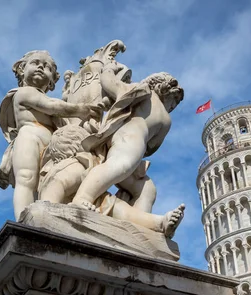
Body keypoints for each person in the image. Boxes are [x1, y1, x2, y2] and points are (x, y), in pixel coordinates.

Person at [0, 50, 102, 220]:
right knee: (26, 178)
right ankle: (24, 222)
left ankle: (45, 217)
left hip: (51, 148)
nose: (40, 66)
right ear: (22, 70)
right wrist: (81, 109)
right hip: (29, 137)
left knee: (46, 185)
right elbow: (52, 105)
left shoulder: (53, 105)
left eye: (47, 67)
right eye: (36, 62)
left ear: (52, 80)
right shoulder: (24, 92)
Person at [38, 124, 184, 238]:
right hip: (72, 207)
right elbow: (55, 186)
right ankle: (159, 223)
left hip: (93, 204)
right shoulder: (73, 166)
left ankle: (159, 223)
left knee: (121, 209)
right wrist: (52, 211)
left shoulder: (86, 166)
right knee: (120, 209)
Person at [71, 65, 184, 211]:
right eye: (174, 100)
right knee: (120, 165)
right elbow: (111, 84)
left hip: (134, 147)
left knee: (146, 189)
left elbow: (151, 147)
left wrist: (109, 71)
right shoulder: (145, 93)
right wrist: (109, 70)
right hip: (130, 138)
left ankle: (139, 223)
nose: (173, 106)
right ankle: (82, 197)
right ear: (162, 88)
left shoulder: (164, 118)